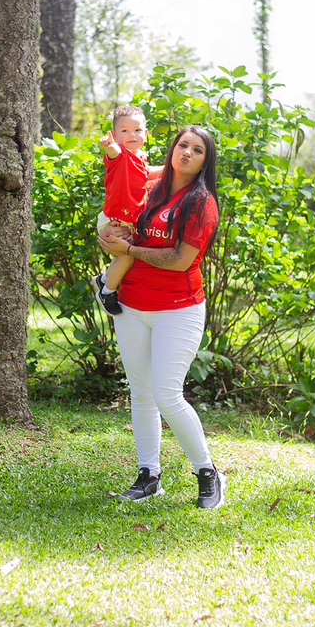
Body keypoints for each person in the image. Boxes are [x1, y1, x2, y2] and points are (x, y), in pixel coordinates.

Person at [97, 125, 226, 509]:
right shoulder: (150, 185)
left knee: (168, 394)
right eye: (182, 145)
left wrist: (130, 250)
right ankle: (148, 475)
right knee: (141, 393)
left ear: (206, 161)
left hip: (178, 308)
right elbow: (121, 195)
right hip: (132, 305)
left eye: (197, 150)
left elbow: (180, 260)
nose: (186, 152)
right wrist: (111, 237)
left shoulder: (201, 202)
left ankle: (207, 472)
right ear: (172, 149)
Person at [91, 104, 161, 316]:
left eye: (137, 130)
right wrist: (108, 145)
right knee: (127, 257)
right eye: (125, 130)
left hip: (127, 222)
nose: (132, 135)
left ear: (146, 133)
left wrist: (170, 169)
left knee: (128, 256)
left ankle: (103, 279)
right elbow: (113, 152)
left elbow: (147, 173)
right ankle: (107, 292)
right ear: (114, 134)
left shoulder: (139, 156)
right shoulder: (120, 153)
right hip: (115, 220)